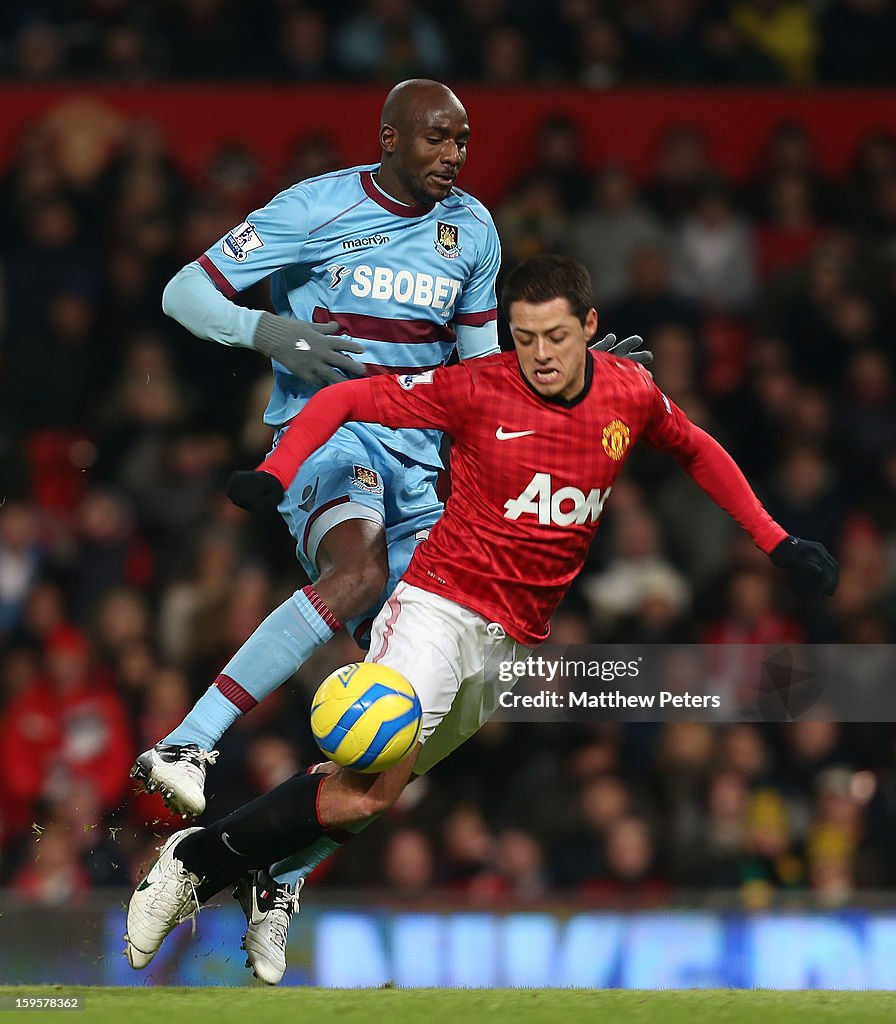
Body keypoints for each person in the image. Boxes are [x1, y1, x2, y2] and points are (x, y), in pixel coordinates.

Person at [125, 255, 837, 982]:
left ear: (590, 327)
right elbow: (343, 402)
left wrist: (776, 539)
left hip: (511, 645)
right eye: (523, 337)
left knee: (377, 792)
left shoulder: (629, 392)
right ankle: (198, 860)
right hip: (437, 610)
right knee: (365, 785)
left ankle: (274, 877)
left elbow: (695, 446)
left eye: (556, 336)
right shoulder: (475, 389)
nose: (540, 355)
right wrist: (277, 474)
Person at [133, 78, 647, 823]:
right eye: (437, 138)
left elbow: (478, 373)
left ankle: (279, 869)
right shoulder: (315, 207)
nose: (453, 154)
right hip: (329, 431)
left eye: (463, 140)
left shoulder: (472, 229)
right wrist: (269, 332)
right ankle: (188, 742)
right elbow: (184, 292)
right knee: (360, 569)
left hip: (424, 456)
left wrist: (576, 372)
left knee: (433, 696)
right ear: (390, 138)